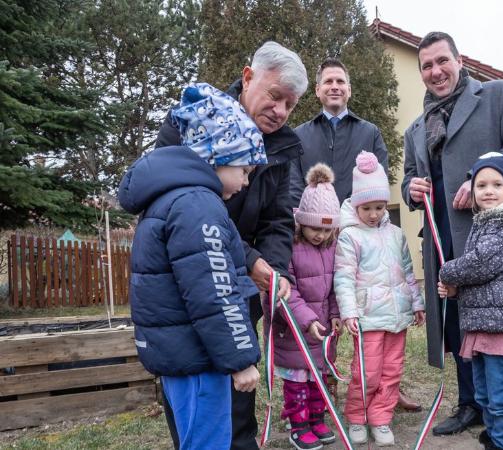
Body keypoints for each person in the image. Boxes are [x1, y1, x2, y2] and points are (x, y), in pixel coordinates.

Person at [154, 41, 308, 450]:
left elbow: (278, 218)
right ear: (247, 77)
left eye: (290, 105)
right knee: (199, 398)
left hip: (242, 288)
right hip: (189, 286)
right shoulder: (190, 122)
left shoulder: (287, 146)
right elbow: (189, 220)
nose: (280, 111)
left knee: (241, 392)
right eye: (275, 96)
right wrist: (253, 260)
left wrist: (273, 272)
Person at [400, 31, 503, 446]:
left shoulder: (498, 95)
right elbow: (410, 174)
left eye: (442, 61)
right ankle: (470, 403)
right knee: (459, 320)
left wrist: (479, 178)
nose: (435, 71)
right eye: (426, 66)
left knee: (501, 318)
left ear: (459, 61)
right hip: (442, 234)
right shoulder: (417, 127)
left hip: (493, 233)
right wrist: (411, 189)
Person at [118, 84, 265, 449]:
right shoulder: (198, 205)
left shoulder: (172, 198)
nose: (246, 182)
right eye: (244, 170)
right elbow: (214, 291)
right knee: (207, 442)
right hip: (200, 359)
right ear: (218, 154)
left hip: (181, 353)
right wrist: (240, 360)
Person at [437, 153, 503, 450]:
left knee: (501, 395)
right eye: (481, 184)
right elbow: (487, 277)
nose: (488, 190)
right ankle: (497, 431)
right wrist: (457, 290)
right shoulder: (485, 222)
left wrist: (447, 272)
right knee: (484, 393)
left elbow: (482, 264)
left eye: (497, 184)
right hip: (487, 321)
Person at [335, 152, 426, 446]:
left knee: (391, 372)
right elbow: (344, 277)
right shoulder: (350, 237)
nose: (374, 213)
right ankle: (357, 416)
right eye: (367, 208)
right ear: (356, 206)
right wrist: (349, 312)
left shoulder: (397, 234)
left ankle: (381, 417)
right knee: (367, 372)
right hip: (368, 317)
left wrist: (417, 303)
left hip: (397, 317)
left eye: (379, 206)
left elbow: (409, 271)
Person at [273, 163, 341, 450]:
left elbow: (336, 287)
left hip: (323, 331)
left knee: (319, 379)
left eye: (327, 230)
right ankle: (298, 425)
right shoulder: (288, 246)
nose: (320, 236)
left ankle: (317, 418)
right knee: (298, 383)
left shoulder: (331, 247)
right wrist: (306, 320)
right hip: (295, 332)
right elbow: (287, 291)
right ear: (301, 222)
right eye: (315, 228)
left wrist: (335, 315)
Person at [290, 58, 389, 205]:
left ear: (349, 90)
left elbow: (380, 184)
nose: (335, 87)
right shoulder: (299, 136)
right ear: (317, 90)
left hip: (360, 225)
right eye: (328, 81)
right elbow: (293, 187)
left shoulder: (371, 134)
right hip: (312, 226)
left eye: (340, 81)